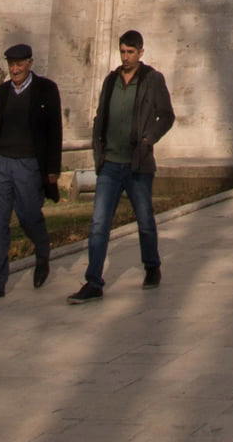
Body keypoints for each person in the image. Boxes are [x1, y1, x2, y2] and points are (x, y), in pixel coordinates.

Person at [73, 29, 177, 301]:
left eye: (131, 52)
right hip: (109, 162)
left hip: (137, 164)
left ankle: (152, 266)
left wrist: (148, 139)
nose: (126, 56)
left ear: (141, 52)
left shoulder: (152, 79)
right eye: (123, 51)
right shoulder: (110, 80)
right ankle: (93, 282)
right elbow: (101, 114)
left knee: (144, 220)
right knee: (98, 224)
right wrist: (98, 144)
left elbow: (166, 116)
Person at [0, 44, 62, 301]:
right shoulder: (2, 93)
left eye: (19, 64)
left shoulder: (46, 89)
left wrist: (53, 168)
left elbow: (55, 130)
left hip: (29, 164)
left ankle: (42, 251)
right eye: (11, 64)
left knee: (28, 215)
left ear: (30, 63)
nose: (15, 69)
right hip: (1, 163)